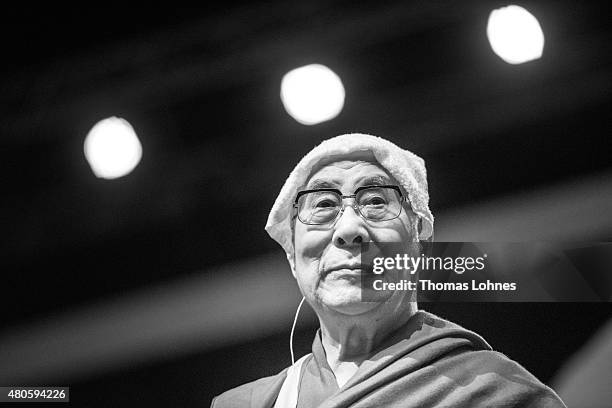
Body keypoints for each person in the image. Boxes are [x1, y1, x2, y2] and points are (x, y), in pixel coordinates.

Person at [211, 133, 566, 407]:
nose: (349, 230)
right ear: (292, 255)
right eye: (323, 205)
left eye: (376, 202)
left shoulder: (493, 392)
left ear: (420, 241)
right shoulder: (250, 404)